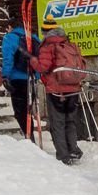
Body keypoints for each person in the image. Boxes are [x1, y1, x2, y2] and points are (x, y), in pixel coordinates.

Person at [31, 16, 88, 165]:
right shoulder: (68, 43)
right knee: (70, 121)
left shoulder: (47, 46)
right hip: (73, 88)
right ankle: (73, 149)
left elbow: (43, 67)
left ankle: (63, 154)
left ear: (45, 31)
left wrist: (32, 60)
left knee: (58, 122)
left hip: (56, 90)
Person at [0, 12, 41, 137]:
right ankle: (30, 135)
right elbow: (39, 57)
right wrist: (38, 76)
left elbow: (8, 59)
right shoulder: (34, 37)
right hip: (32, 78)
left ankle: (29, 137)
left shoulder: (10, 38)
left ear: (10, 27)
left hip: (17, 79)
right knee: (28, 110)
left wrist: (5, 76)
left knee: (20, 112)